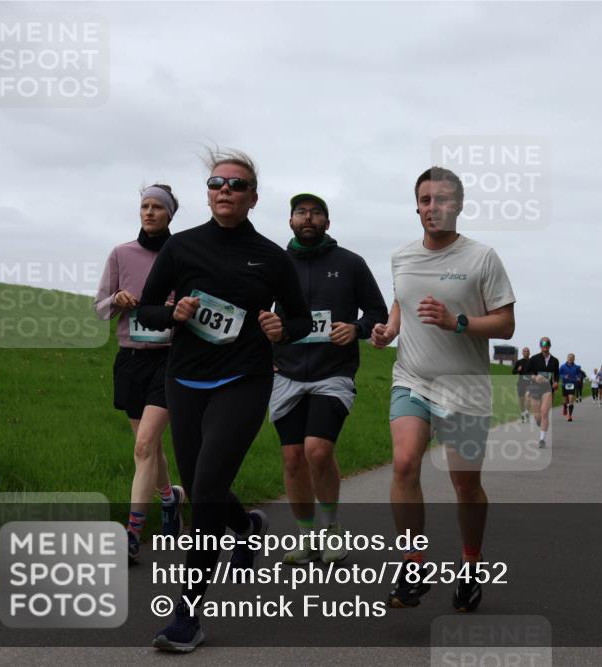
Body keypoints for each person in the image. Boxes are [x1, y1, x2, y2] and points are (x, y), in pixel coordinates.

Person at [138, 150, 312, 653]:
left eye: (236, 185)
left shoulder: (271, 257)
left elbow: (299, 320)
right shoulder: (182, 248)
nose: (225, 191)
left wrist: (284, 328)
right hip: (185, 381)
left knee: (208, 487)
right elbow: (148, 310)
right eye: (217, 183)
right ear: (208, 192)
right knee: (200, 488)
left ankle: (187, 614)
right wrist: (173, 312)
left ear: (253, 198)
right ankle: (246, 524)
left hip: (244, 379)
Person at [371, 166, 515, 614]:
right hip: (412, 378)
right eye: (426, 200)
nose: (433, 207)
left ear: (459, 206)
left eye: (443, 200)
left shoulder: (482, 258)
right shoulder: (401, 257)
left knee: (465, 484)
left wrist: (459, 322)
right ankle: (413, 566)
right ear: (417, 206)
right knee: (404, 463)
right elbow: (402, 301)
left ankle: (470, 567)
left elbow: (506, 323)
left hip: (465, 387)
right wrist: (388, 329)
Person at [271, 192, 387, 566]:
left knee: (317, 450)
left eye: (316, 213)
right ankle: (305, 535)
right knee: (292, 458)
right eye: (301, 212)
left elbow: (377, 312)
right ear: (290, 221)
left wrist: (356, 328)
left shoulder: (350, 263)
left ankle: (331, 528)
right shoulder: (276, 263)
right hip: (285, 373)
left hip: (332, 373)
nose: (308, 218)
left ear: (327, 223)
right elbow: (256, 313)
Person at [94, 184, 184, 564]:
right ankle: (170, 499)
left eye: (156, 207)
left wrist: (176, 307)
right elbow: (99, 308)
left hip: (170, 359)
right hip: (130, 358)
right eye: (144, 206)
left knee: (145, 445)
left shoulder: (184, 254)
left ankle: (131, 536)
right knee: (149, 447)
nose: (149, 212)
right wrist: (116, 299)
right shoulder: (121, 254)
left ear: (169, 214)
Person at [526, 338, 559, 446]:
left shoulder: (555, 360)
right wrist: (534, 377)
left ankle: (542, 439)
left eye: (547, 344)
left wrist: (556, 382)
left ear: (550, 345)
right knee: (537, 416)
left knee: (544, 412)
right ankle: (538, 420)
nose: (545, 346)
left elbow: (556, 375)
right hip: (535, 387)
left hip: (547, 388)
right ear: (540, 345)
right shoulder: (534, 359)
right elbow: (527, 373)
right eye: (543, 344)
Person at [558, 353, 582, 422]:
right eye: (569, 357)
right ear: (567, 358)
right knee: (565, 401)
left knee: (571, 399)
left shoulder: (577, 367)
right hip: (565, 385)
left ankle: (570, 415)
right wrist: (564, 376)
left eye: (572, 357)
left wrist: (578, 378)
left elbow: (579, 374)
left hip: (572, 384)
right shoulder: (562, 366)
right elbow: (559, 374)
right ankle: (565, 407)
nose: (570, 358)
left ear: (574, 359)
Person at [512, 346, 532, 423]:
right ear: (522, 353)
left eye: (527, 351)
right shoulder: (519, 362)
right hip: (521, 383)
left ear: (529, 353)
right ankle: (523, 414)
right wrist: (518, 370)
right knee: (521, 400)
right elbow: (513, 372)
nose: (526, 352)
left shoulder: (532, 362)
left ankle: (527, 412)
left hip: (530, 383)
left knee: (528, 396)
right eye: (525, 351)